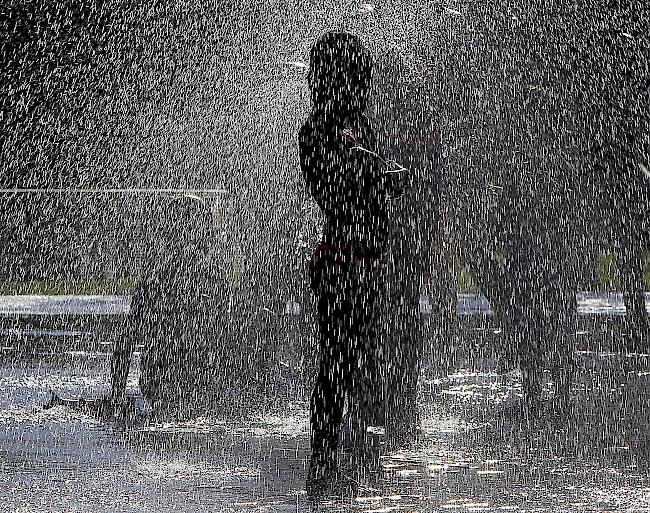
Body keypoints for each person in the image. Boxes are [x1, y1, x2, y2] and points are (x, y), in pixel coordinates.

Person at [298, 32, 405, 493]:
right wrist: (360, 170)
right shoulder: (315, 131)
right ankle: (323, 454)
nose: (362, 89)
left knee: (364, 358)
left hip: (369, 260)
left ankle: (357, 450)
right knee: (336, 361)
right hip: (340, 261)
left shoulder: (362, 127)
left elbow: (372, 188)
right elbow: (327, 192)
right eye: (356, 78)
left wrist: (386, 177)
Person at [109, 195, 229, 418]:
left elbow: (125, 340)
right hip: (198, 386)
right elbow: (224, 341)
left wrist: (116, 395)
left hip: (162, 384)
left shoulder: (154, 279)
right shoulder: (214, 277)